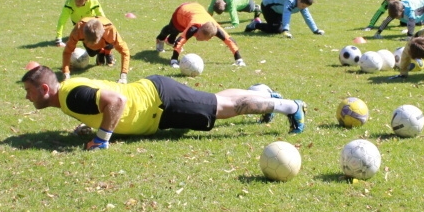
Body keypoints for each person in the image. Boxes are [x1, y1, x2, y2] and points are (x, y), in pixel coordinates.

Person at [21, 64, 306, 148]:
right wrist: (92, 124)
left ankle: (290, 107)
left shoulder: (70, 95)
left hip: (160, 102)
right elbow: (105, 98)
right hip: (155, 95)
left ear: (45, 89)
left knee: (223, 107)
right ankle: (262, 93)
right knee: (217, 100)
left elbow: (116, 100)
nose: (27, 98)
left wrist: (102, 139)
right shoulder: (68, 92)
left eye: (29, 92)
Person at [155, 3, 245, 66]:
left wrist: (239, 60)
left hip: (197, 10)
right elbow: (180, 41)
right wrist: (174, 61)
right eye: (198, 36)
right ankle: (160, 39)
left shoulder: (216, 29)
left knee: (177, 31)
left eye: (203, 38)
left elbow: (230, 41)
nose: (199, 38)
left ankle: (170, 41)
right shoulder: (193, 28)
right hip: (183, 11)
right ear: (198, 31)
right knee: (173, 28)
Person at [63, 17, 131, 83]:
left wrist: (123, 76)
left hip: (105, 40)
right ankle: (100, 52)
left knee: (109, 44)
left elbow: (125, 51)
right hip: (93, 39)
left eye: (94, 43)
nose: (92, 45)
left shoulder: (110, 30)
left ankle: (108, 52)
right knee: (92, 53)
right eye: (88, 41)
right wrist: (66, 73)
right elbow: (67, 51)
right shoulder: (79, 28)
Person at [245, 0, 323, 37]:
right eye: (302, 6)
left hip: (279, 10)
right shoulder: (290, 0)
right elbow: (286, 13)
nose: (303, 8)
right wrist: (286, 30)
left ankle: (258, 22)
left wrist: (315, 30)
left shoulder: (302, 2)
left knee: (278, 28)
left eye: (305, 7)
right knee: (277, 29)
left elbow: (307, 16)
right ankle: (255, 24)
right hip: (268, 7)